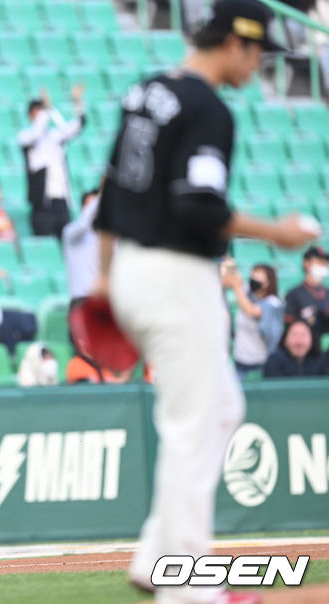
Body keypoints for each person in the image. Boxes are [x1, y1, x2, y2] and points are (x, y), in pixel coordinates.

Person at [92, 1, 316, 602]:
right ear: (236, 44)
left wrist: (106, 280)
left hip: (137, 269)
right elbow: (200, 205)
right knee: (193, 427)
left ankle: (153, 556)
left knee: (222, 408)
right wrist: (279, 232)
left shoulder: (147, 91)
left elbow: (112, 192)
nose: (259, 65)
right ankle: (187, 588)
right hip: (175, 276)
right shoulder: (207, 107)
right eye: (259, 52)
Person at [18, 86, 86, 238]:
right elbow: (36, 132)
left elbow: (74, 127)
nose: (41, 115)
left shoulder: (55, 136)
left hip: (61, 202)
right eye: (37, 112)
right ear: (30, 115)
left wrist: (76, 104)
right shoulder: (25, 137)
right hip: (42, 206)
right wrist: (46, 110)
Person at [222, 261, 284, 378]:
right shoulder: (248, 293)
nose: (253, 282)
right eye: (252, 277)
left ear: (268, 282)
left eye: (258, 279)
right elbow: (234, 274)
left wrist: (236, 287)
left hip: (261, 363)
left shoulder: (273, 303)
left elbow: (249, 310)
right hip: (240, 362)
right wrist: (225, 256)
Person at [63, 188, 102, 305]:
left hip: (104, 300)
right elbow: (84, 223)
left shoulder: (111, 238)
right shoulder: (71, 232)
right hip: (81, 300)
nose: (93, 210)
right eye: (88, 206)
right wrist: (102, 196)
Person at [284, 246, 329, 337]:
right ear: (306, 263)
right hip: (305, 346)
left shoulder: (327, 292)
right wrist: (306, 320)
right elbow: (288, 325)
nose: (323, 266)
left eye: (325, 263)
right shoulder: (294, 294)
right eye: (319, 262)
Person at [263, 318, 328, 377]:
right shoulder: (273, 363)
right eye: (294, 335)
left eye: (303, 335)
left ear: (312, 339)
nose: (299, 341)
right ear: (285, 339)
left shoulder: (322, 362)